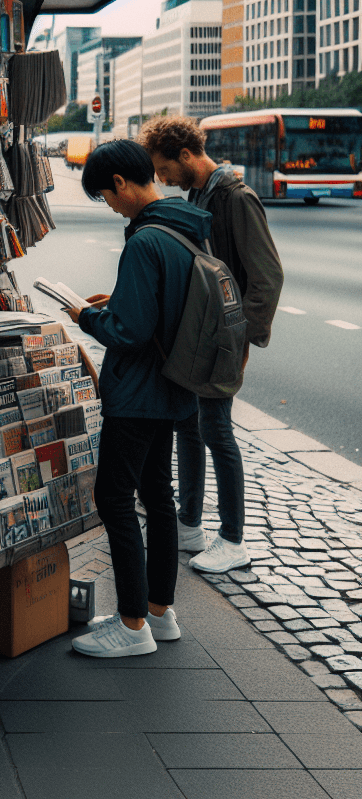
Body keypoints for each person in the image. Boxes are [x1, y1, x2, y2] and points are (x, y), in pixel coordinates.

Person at [65, 139, 211, 658]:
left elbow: (129, 329)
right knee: (158, 496)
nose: (110, 205)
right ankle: (158, 611)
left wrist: (86, 315)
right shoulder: (187, 230)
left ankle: (130, 627)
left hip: (138, 393)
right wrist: (120, 301)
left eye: (106, 196)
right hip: (174, 386)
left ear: (123, 184)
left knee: (114, 499)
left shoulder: (146, 240)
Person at [141, 116, 284, 574]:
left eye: (164, 169)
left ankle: (233, 538)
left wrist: (241, 338)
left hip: (223, 335)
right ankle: (189, 524)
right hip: (201, 331)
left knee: (217, 431)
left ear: (186, 156)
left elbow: (267, 277)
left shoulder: (236, 198)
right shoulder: (203, 195)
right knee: (190, 425)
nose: (162, 180)